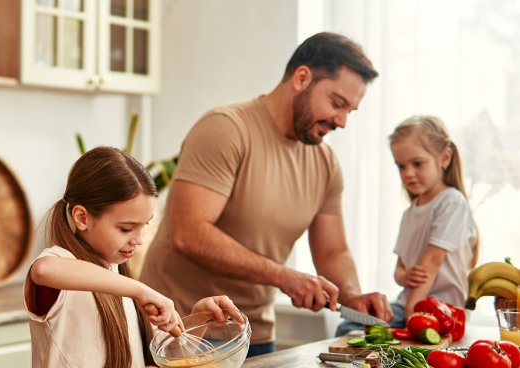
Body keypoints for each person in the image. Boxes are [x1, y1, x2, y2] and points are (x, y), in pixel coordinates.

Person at [139, 32, 393, 357]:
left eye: (350, 112)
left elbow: (332, 251)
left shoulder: (326, 163)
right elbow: (188, 234)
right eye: (337, 103)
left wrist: (352, 296)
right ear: (302, 78)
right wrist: (284, 276)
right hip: (179, 330)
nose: (341, 121)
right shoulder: (226, 129)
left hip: (254, 336)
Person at [24, 146, 243, 368]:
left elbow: (169, 358)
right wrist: (140, 291)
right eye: (127, 228)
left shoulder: (119, 277)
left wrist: (199, 317)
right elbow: (44, 270)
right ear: (82, 218)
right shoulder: (61, 265)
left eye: (144, 225)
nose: (139, 239)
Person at [338, 116, 478, 335]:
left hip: (441, 310)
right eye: (401, 166)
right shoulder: (410, 212)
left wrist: (412, 318)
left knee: (351, 330)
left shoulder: (451, 202)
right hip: (408, 304)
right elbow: (400, 268)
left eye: (417, 164)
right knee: (350, 325)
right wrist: (405, 277)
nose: (408, 173)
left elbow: (431, 264)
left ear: (444, 158)